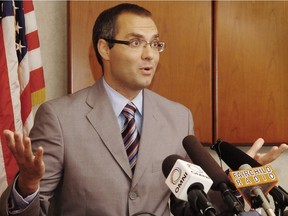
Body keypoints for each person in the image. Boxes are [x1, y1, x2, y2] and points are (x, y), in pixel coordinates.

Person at [0, 3, 287, 216]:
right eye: (136, 42)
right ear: (104, 48)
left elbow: (188, 204)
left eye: (155, 43)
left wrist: (239, 182)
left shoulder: (178, 117)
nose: (150, 54)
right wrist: (27, 185)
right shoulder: (59, 118)